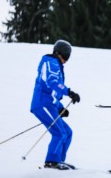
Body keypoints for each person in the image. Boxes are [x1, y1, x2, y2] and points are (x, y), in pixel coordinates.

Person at [30, 39, 80, 170]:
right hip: (42, 104)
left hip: (49, 104)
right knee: (59, 132)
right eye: (67, 54)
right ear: (63, 53)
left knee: (68, 132)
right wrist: (69, 92)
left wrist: (60, 108)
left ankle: (59, 161)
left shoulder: (56, 64)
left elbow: (53, 93)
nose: (67, 58)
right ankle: (52, 162)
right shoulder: (51, 62)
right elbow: (52, 83)